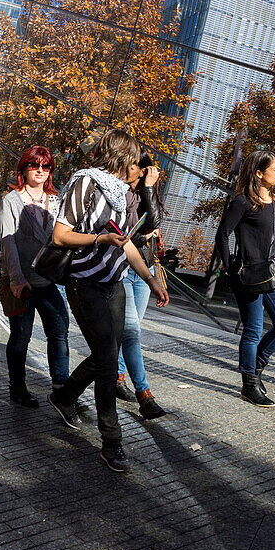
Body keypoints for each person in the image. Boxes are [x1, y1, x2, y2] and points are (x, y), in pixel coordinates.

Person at [47, 129, 169, 473]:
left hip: (113, 284)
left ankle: (64, 396)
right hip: (84, 283)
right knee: (106, 363)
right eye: (136, 160)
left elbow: (128, 244)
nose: (140, 168)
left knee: (107, 355)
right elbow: (60, 235)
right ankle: (112, 441)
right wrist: (101, 238)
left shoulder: (123, 196)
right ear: (121, 158)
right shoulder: (84, 183)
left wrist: (152, 280)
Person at [216, 150, 275, 408]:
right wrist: (231, 269)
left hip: (273, 275)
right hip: (248, 278)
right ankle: (249, 385)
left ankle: (254, 365)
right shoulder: (243, 202)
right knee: (254, 330)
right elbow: (222, 235)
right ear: (259, 173)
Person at [0, 145, 70, 408]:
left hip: (49, 279)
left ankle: (62, 388)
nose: (40, 170)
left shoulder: (56, 200)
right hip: (22, 281)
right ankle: (17, 386)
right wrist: (16, 280)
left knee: (60, 331)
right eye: (34, 165)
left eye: (46, 166)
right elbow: (8, 244)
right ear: (24, 169)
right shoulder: (11, 200)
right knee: (21, 335)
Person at [114, 154, 168, 419]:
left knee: (131, 331)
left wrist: (149, 188)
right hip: (123, 268)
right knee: (131, 331)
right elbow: (123, 233)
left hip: (144, 268)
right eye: (139, 168)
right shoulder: (119, 193)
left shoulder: (146, 194)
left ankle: (117, 377)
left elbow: (154, 223)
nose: (142, 172)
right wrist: (144, 234)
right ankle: (144, 395)